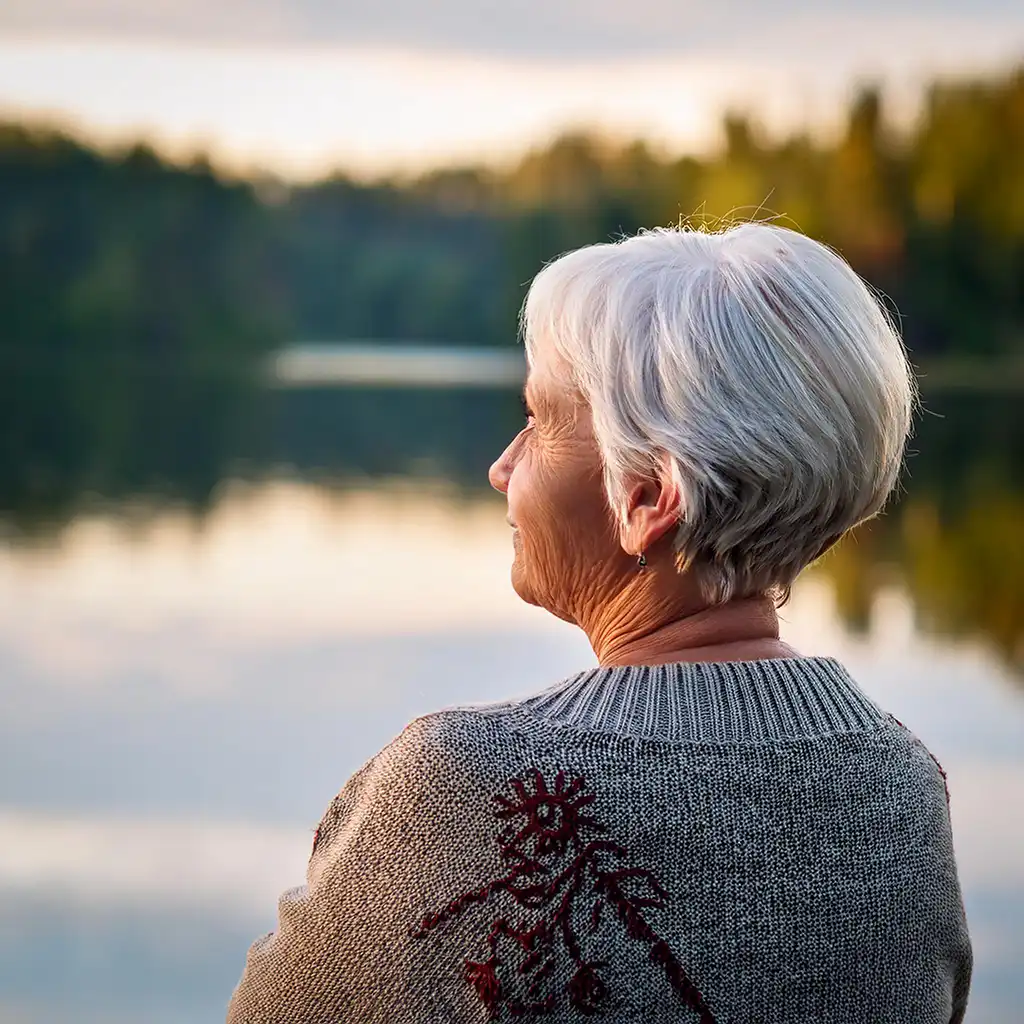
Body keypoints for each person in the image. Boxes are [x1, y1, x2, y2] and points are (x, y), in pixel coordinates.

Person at [227, 223, 972, 1023]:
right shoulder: (902, 790)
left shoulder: (460, 790)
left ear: (648, 497)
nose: (502, 467)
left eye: (540, 422)